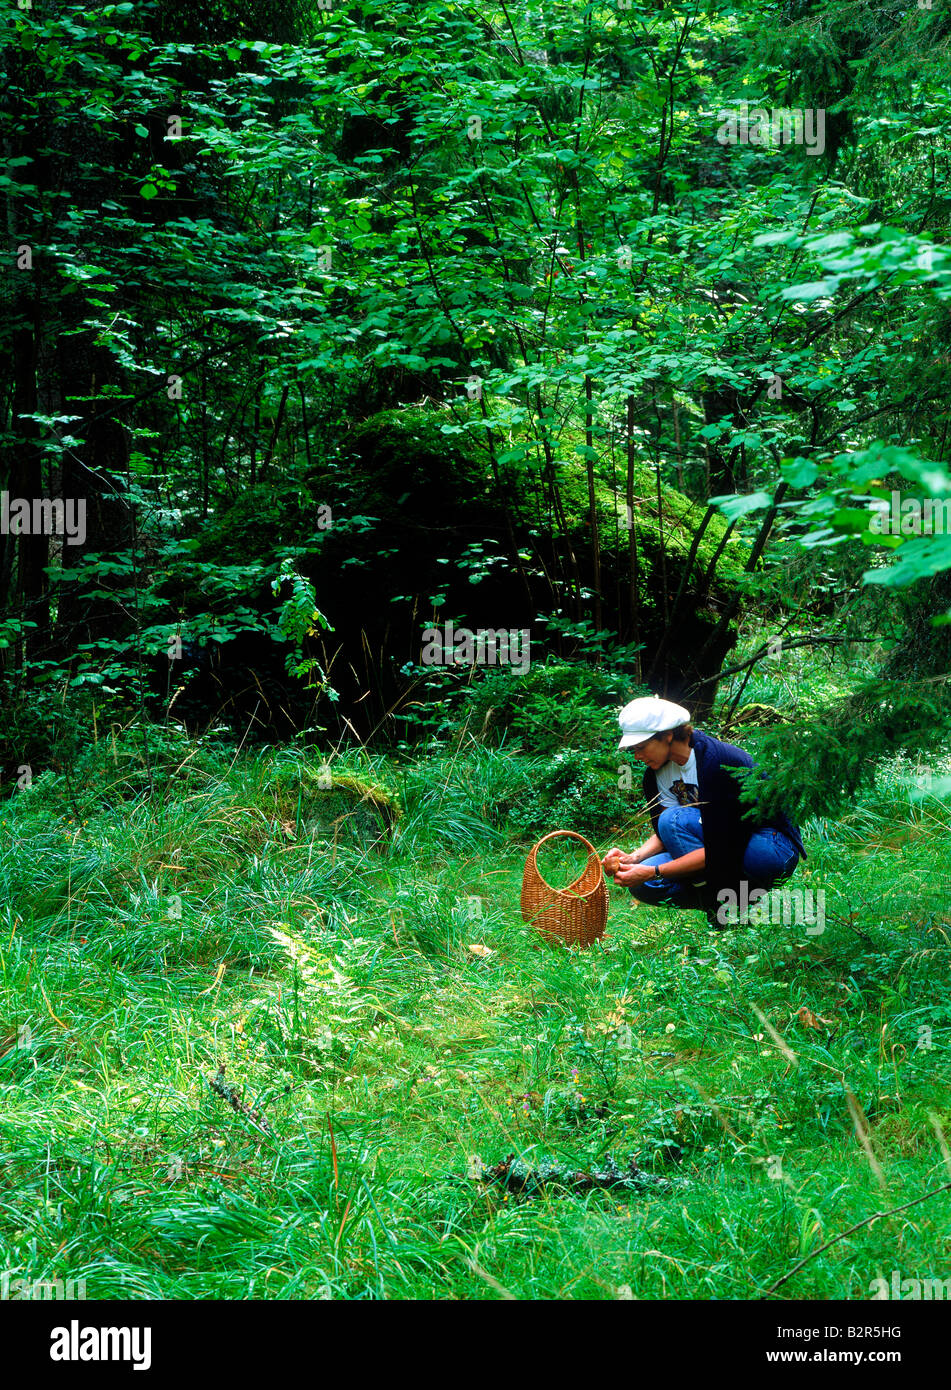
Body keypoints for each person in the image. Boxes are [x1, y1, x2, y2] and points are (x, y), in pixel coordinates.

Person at [602, 696, 805, 927]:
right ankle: (726, 903)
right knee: (641, 884)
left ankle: (726, 909)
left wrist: (654, 871)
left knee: (669, 827)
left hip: (769, 845)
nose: (637, 756)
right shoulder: (656, 774)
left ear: (667, 735)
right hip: (721, 849)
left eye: (641, 747)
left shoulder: (718, 762)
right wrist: (635, 858)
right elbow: (668, 833)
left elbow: (723, 848)